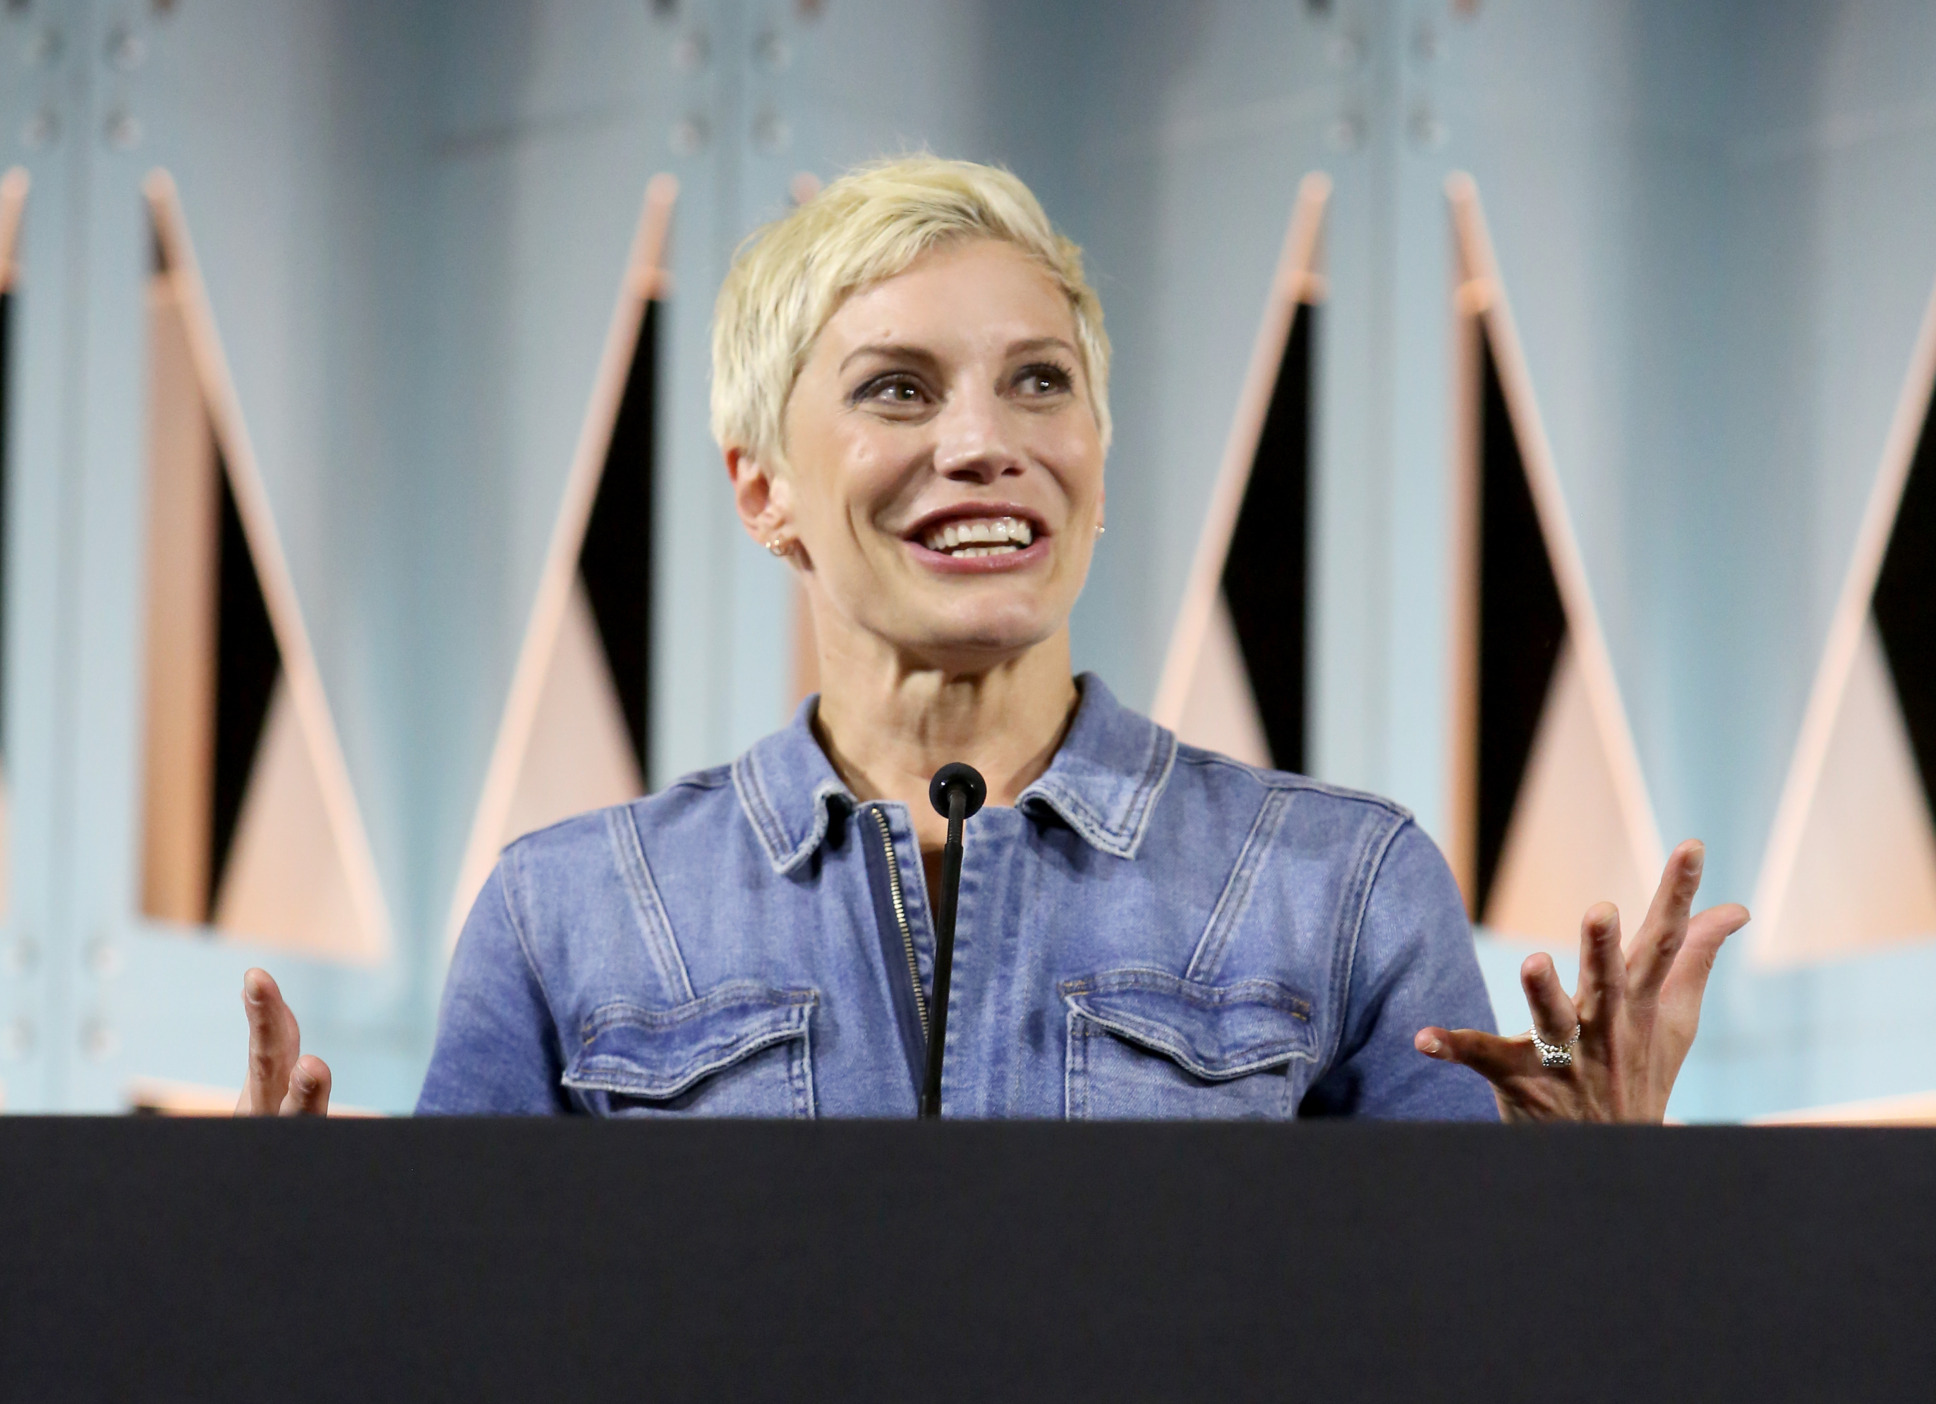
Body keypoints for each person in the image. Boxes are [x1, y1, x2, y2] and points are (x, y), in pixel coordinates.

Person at [238, 156, 1746, 1121]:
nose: (984, 443)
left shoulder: (1344, 887)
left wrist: (1597, 1201)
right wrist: (273, 1260)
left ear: (1099, 459)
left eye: (1039, 383)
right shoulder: (563, 915)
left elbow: (1462, 1345)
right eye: (897, 389)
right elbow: (458, 1344)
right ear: (763, 490)